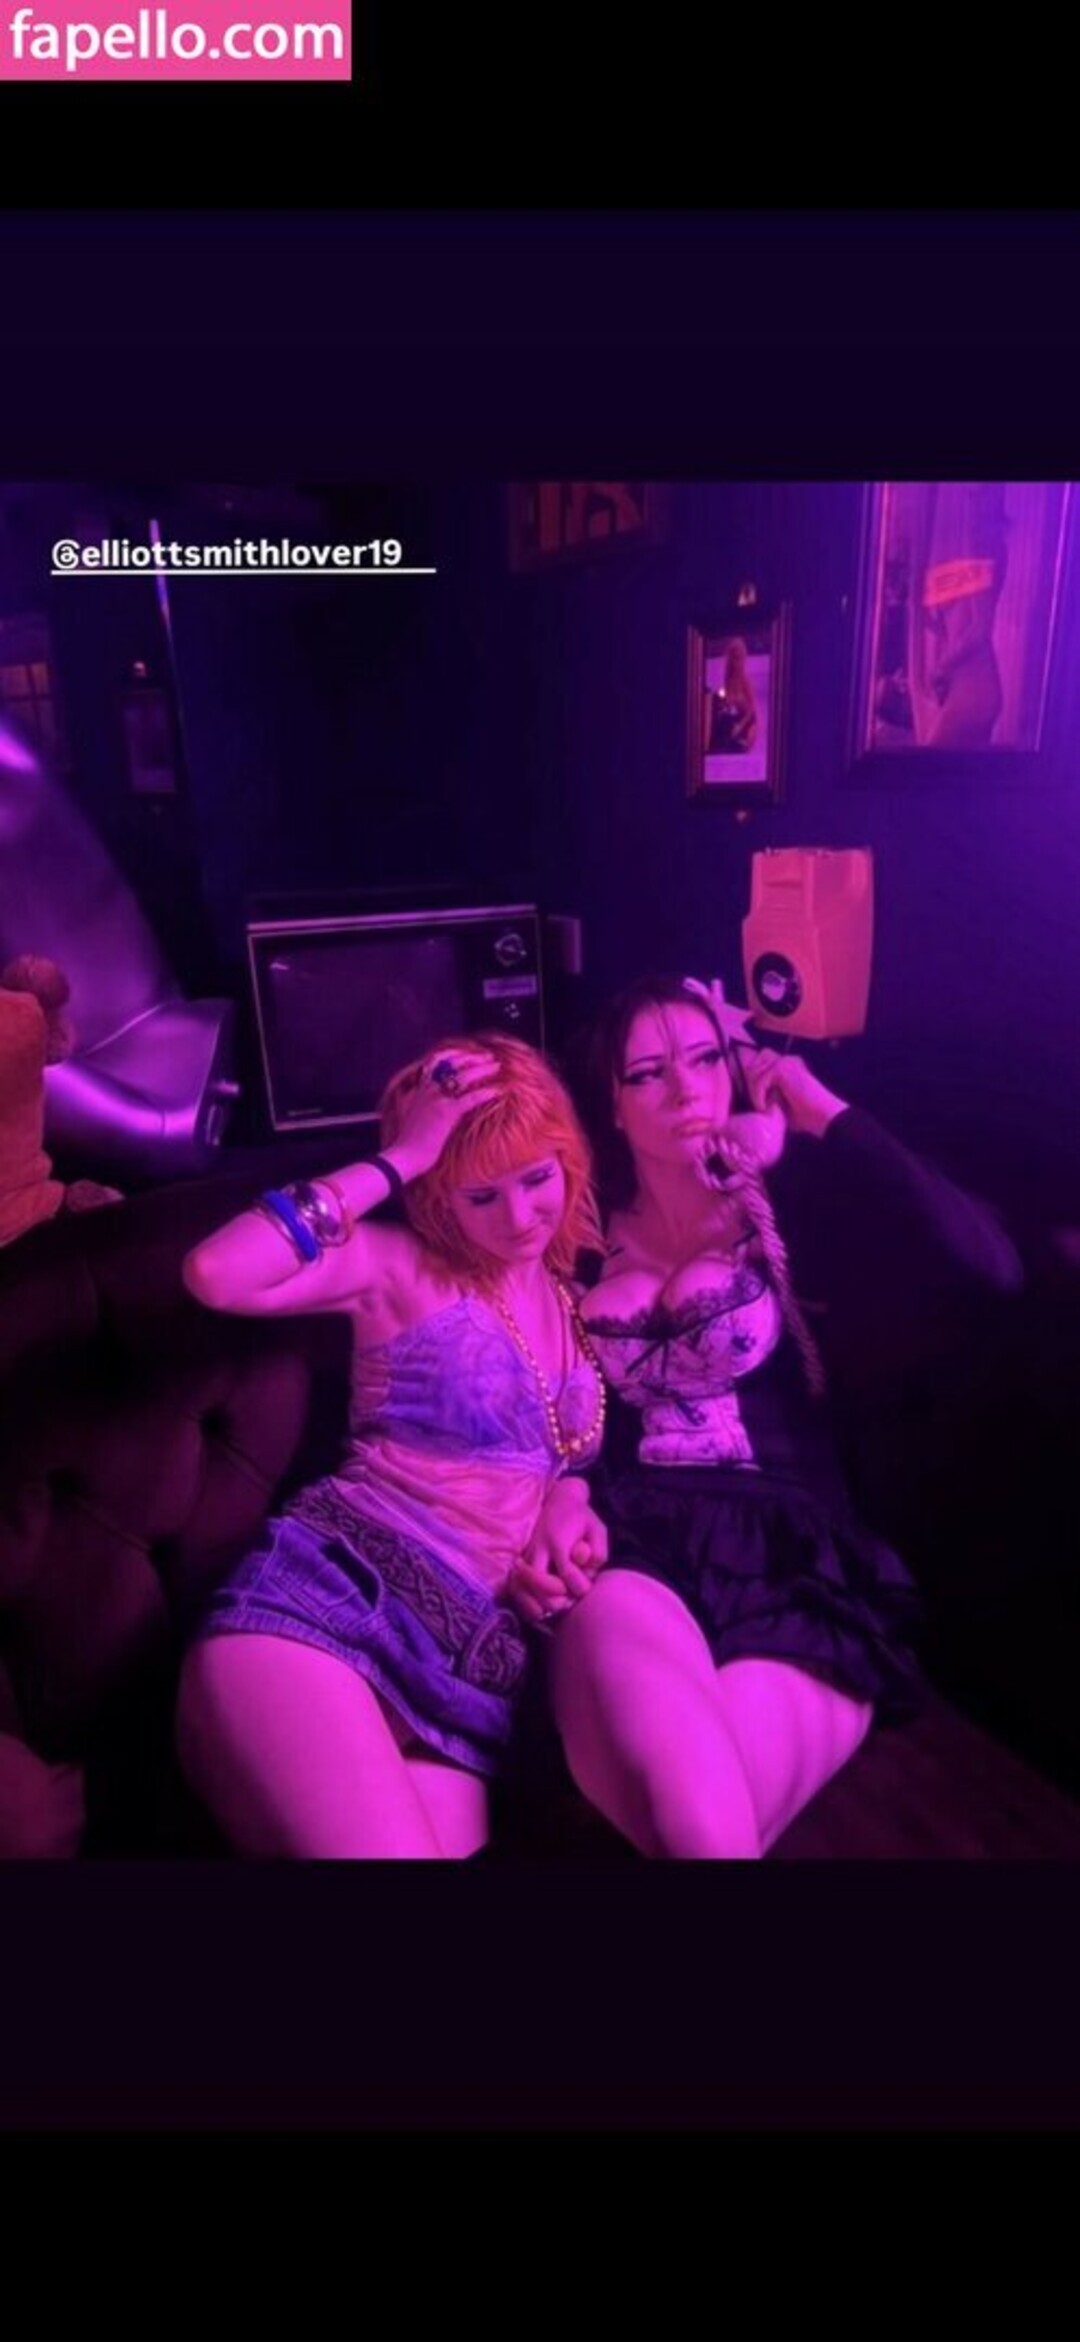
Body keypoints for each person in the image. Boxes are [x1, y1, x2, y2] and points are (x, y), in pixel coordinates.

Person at [548, 973, 1024, 1859]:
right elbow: (542, 1395)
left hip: (794, 1554)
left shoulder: (788, 1206)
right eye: (648, 1074)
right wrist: (562, 1493)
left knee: (702, 1838)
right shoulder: (573, 1232)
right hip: (635, 1544)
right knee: (688, 1818)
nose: (686, 1090)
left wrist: (818, 1108)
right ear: (611, 1103)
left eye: (705, 1060)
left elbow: (990, 1263)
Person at [175, 1033, 609, 1859]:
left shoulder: (567, 1298)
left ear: (568, 1159)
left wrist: (568, 1496)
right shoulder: (398, 1267)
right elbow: (217, 1273)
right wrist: (403, 1157)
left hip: (469, 1672)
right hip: (326, 1606)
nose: (518, 1217)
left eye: (536, 1179)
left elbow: (554, 1449)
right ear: (440, 1195)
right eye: (481, 1196)